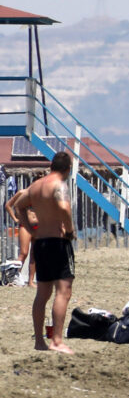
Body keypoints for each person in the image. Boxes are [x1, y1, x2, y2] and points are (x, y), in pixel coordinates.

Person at [6, 151, 77, 353]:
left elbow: (18, 206)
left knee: (42, 293)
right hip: (58, 241)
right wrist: (69, 230)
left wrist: (27, 225)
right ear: (68, 169)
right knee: (63, 291)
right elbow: (64, 208)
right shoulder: (59, 185)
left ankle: (39, 341)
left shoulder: (36, 186)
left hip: (41, 242)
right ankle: (56, 340)